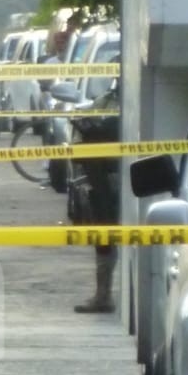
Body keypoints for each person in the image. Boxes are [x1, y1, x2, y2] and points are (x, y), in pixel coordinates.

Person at [72, 80, 121, 313]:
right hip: (102, 178)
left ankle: (104, 296)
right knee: (103, 236)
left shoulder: (131, 102)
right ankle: (103, 295)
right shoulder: (105, 101)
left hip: (121, 178)